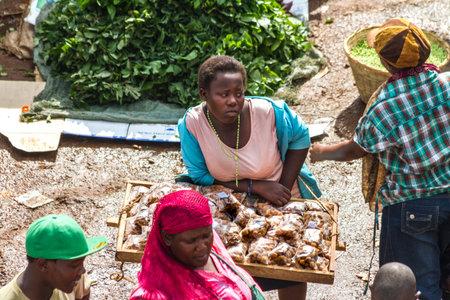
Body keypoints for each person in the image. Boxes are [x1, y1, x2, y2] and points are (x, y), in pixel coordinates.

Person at [309, 18, 449, 300]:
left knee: (417, 287)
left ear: (385, 64)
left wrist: (320, 153)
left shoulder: (384, 106)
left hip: (411, 206)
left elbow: (354, 149)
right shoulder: (446, 85)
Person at [178, 55, 322, 299]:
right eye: (223, 94)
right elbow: (200, 175)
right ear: (204, 94)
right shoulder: (193, 124)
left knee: (289, 266)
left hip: (282, 200)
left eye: (239, 93)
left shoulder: (268, 113)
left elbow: (301, 136)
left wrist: (281, 189)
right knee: (233, 263)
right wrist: (256, 187)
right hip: (229, 205)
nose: (233, 101)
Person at [129, 189, 264, 299]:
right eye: (191, 241)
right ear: (167, 238)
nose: (202, 246)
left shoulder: (216, 253)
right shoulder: (155, 293)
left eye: (206, 236)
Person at [0, 214, 107, 300]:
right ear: (43, 265)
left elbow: (83, 295)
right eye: (74, 265)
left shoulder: (72, 278)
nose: (82, 271)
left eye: (81, 262)